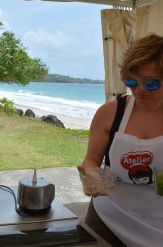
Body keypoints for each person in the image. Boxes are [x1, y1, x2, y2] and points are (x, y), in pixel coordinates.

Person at [78, 34, 163, 247]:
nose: (140, 90)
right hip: (107, 215)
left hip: (157, 224)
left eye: (151, 83)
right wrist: (92, 176)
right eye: (132, 82)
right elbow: (92, 160)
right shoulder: (110, 113)